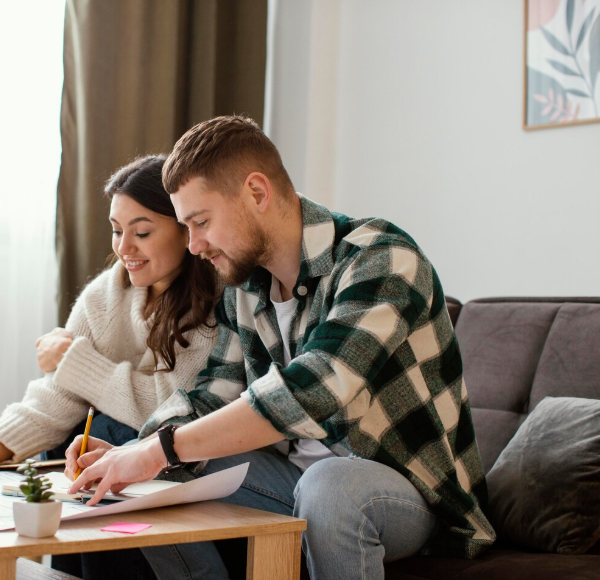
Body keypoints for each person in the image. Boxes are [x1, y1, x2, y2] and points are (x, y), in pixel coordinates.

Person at [65, 116, 496, 580]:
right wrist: (134, 451)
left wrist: (158, 449)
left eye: (201, 222)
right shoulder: (245, 289)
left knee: (328, 486)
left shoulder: (380, 258)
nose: (193, 246)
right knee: (162, 470)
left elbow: (316, 387)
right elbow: (212, 394)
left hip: (408, 496)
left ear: (256, 192)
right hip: (293, 481)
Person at [0, 154, 218, 479]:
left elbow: (168, 409)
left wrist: (70, 360)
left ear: (184, 228)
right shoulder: (104, 296)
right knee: (75, 434)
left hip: (176, 454)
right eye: (116, 231)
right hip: (122, 447)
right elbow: (57, 398)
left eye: (141, 233)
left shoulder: (213, 299)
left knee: (100, 428)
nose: (124, 247)